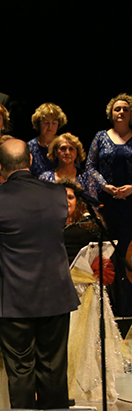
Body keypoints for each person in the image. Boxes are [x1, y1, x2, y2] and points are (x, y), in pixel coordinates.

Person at [0, 139, 79, 409]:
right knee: (53, 369)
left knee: (21, 370)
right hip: (55, 295)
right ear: (30, 161)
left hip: (13, 298)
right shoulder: (57, 194)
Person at [85, 93, 132, 315]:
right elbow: (90, 166)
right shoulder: (101, 137)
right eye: (117, 109)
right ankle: (107, 310)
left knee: (127, 256)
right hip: (107, 204)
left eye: (125, 109)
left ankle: (127, 309)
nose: (121, 112)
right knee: (107, 255)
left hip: (130, 205)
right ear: (110, 113)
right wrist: (106, 187)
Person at [39, 133, 97, 198]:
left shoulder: (86, 178)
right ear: (55, 152)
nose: (67, 152)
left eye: (71, 149)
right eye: (63, 148)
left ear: (77, 153)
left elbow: (93, 203)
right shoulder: (45, 178)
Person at [28, 103, 68, 177]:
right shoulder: (29, 147)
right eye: (46, 123)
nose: (50, 127)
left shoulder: (66, 145)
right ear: (38, 124)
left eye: (54, 123)